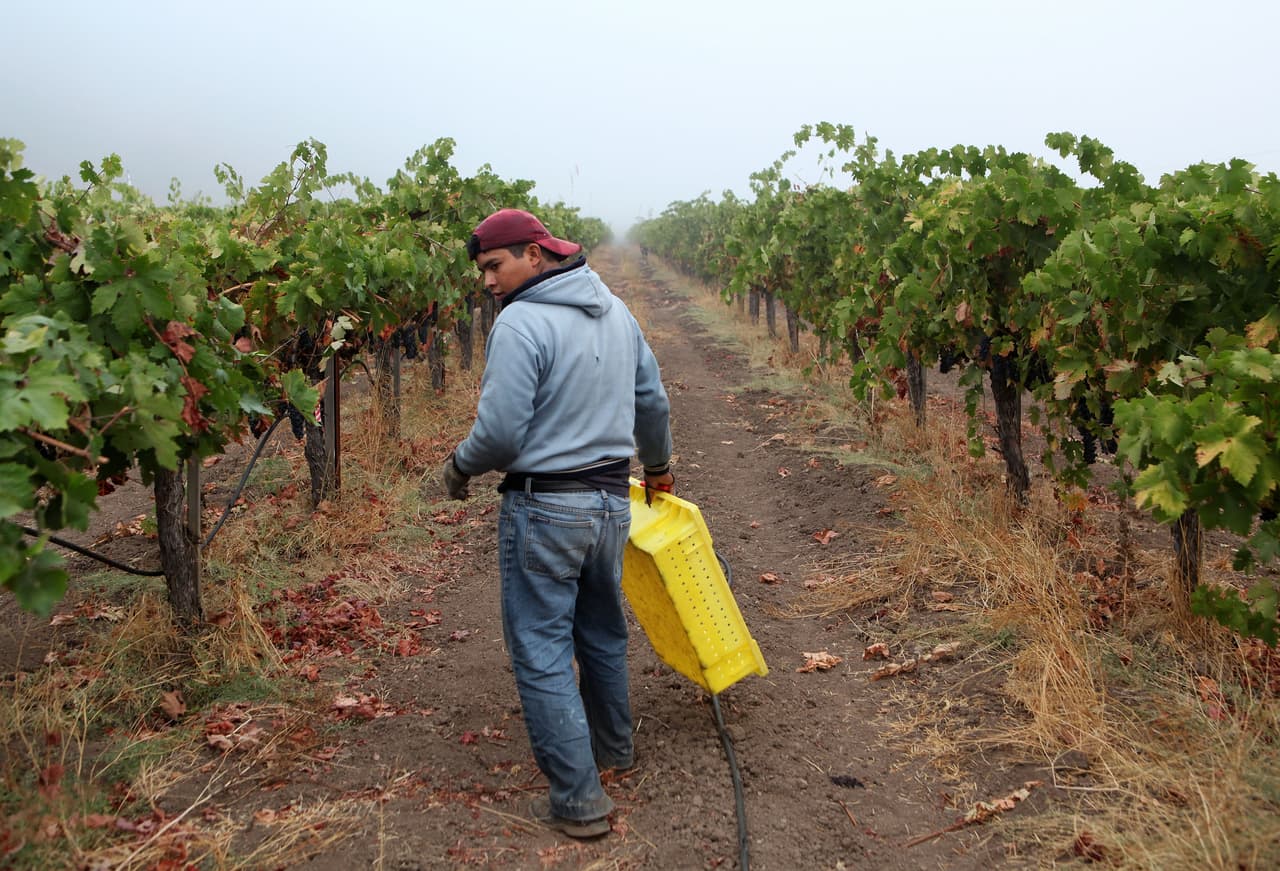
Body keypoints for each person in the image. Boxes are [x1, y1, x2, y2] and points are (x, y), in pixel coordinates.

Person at [441, 208, 674, 839]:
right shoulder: (617, 311)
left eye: (495, 265)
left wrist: (459, 468)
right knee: (601, 632)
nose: (488, 281)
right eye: (484, 269)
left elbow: (500, 433)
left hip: (545, 507)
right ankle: (614, 751)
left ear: (535, 256)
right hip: (610, 505)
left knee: (541, 650)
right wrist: (658, 469)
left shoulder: (521, 322)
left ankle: (579, 800)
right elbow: (651, 401)